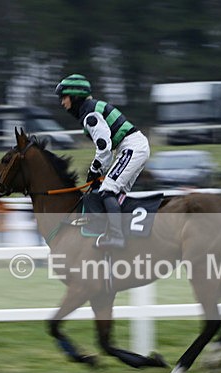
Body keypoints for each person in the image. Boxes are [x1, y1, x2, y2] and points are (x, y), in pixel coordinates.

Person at [54, 73, 150, 249]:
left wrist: (94, 170)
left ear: (75, 97)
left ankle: (116, 237)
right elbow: (107, 150)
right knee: (116, 193)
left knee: (107, 190)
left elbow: (104, 148)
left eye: (64, 98)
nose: (62, 103)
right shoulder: (90, 109)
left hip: (131, 147)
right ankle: (122, 234)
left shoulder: (90, 115)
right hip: (132, 147)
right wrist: (99, 171)